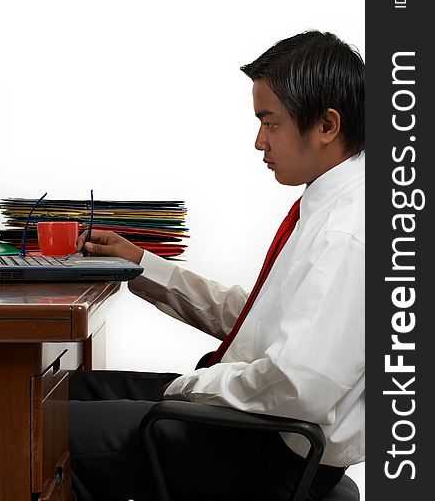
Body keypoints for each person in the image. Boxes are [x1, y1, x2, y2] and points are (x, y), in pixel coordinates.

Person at [69, 30, 365, 501]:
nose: (258, 141)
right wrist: (142, 264)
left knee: (35, 430)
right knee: (66, 392)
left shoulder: (348, 231)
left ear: (327, 125)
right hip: (259, 427)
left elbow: (298, 384)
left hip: (266, 455)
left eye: (270, 123)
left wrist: (189, 386)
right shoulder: (330, 202)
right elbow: (259, 321)